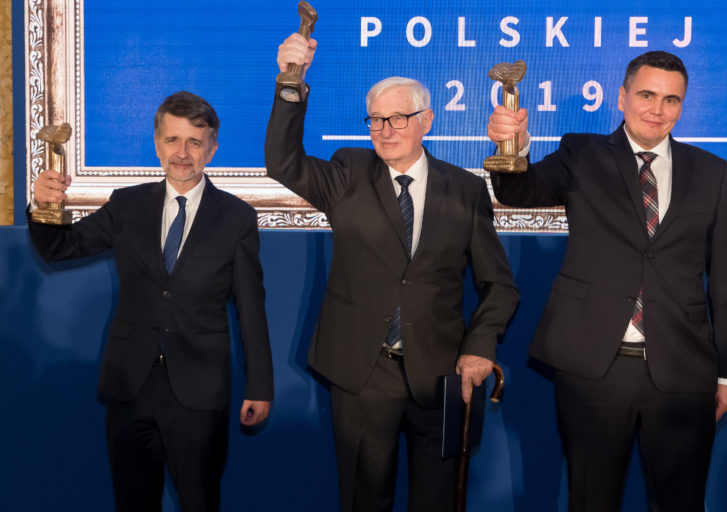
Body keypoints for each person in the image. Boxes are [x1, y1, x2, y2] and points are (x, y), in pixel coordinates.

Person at [267, 33, 519, 511]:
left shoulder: (465, 190)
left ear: (426, 120)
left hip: (443, 374)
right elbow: (283, 162)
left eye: (398, 118)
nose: (385, 130)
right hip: (363, 372)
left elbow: (499, 286)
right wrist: (291, 82)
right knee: (364, 499)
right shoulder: (347, 172)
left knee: (437, 500)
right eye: (376, 120)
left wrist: (480, 347)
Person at [487, 50, 727, 510]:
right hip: (594, 368)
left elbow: (726, 279)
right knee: (592, 500)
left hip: (683, 370)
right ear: (622, 97)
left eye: (671, 100)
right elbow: (517, 191)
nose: (658, 109)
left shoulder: (710, 170)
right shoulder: (582, 153)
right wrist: (514, 146)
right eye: (647, 95)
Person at [28, 91, 273, 512]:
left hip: (199, 391)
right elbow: (59, 249)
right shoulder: (127, 204)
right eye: (172, 140)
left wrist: (260, 386)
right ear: (157, 144)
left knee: (200, 501)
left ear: (212, 149)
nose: (182, 153)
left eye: (194, 142)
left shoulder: (237, 218)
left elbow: (251, 307)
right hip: (129, 385)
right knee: (132, 502)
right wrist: (42, 206)